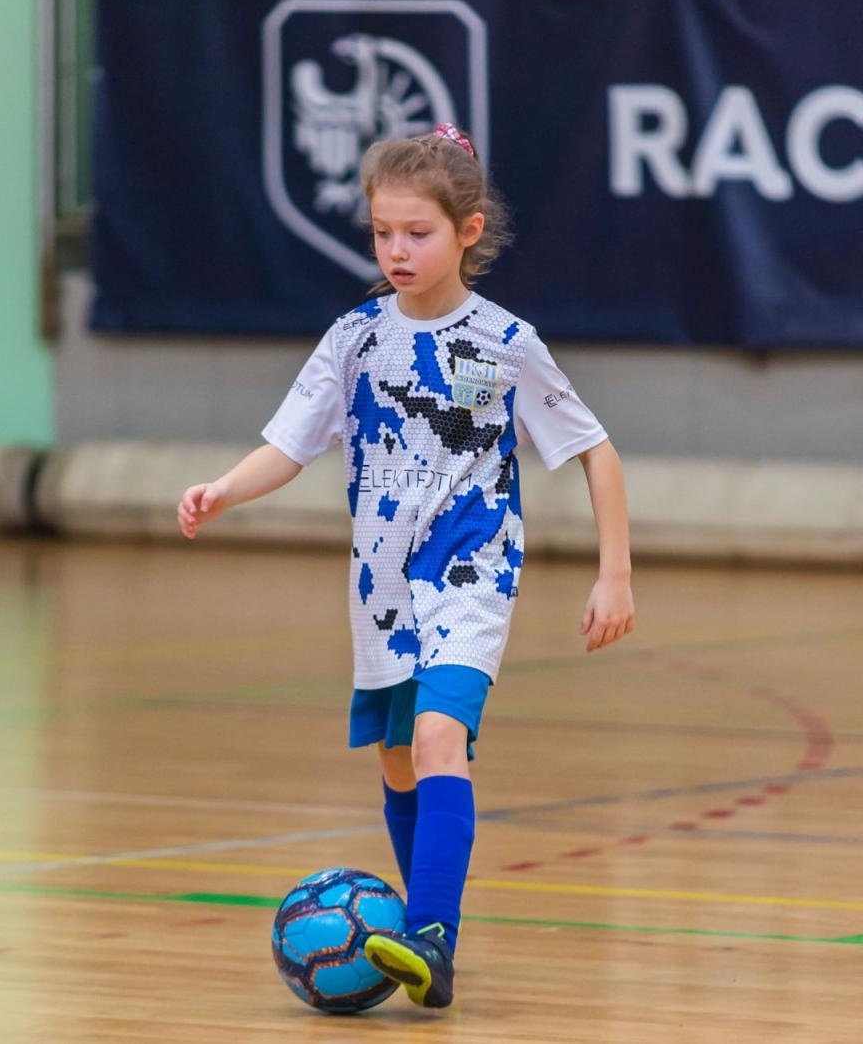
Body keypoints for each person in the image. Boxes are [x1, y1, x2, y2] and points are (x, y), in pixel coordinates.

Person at [177, 123, 634, 1009]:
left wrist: (613, 573)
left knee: (436, 741)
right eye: (382, 233)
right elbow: (290, 441)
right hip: (380, 587)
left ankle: (432, 937)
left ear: (467, 232)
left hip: (472, 570)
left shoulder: (505, 341)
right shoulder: (353, 338)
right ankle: (418, 939)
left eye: (416, 233)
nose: (395, 250)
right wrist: (225, 490)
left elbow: (596, 450)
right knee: (395, 761)